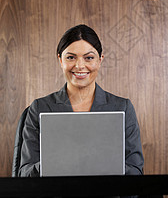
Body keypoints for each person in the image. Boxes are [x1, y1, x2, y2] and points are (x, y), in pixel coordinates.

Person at [18, 24, 144, 177]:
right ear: (60, 60)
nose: (79, 66)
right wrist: (55, 163)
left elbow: (135, 172)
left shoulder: (122, 107)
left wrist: (100, 163)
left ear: (100, 60)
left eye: (89, 58)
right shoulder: (40, 107)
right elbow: (25, 174)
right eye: (70, 57)